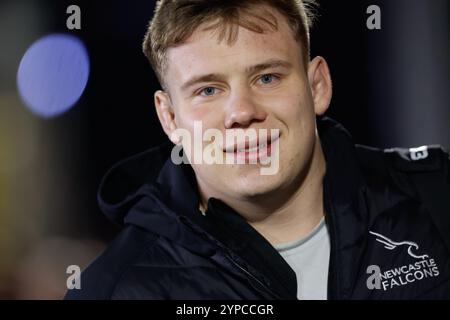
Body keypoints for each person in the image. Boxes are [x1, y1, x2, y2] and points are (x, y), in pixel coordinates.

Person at [65, 0, 450, 300]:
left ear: (317, 86)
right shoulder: (113, 289)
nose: (242, 112)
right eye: (208, 90)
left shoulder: (435, 200)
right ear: (169, 118)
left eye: (267, 77)